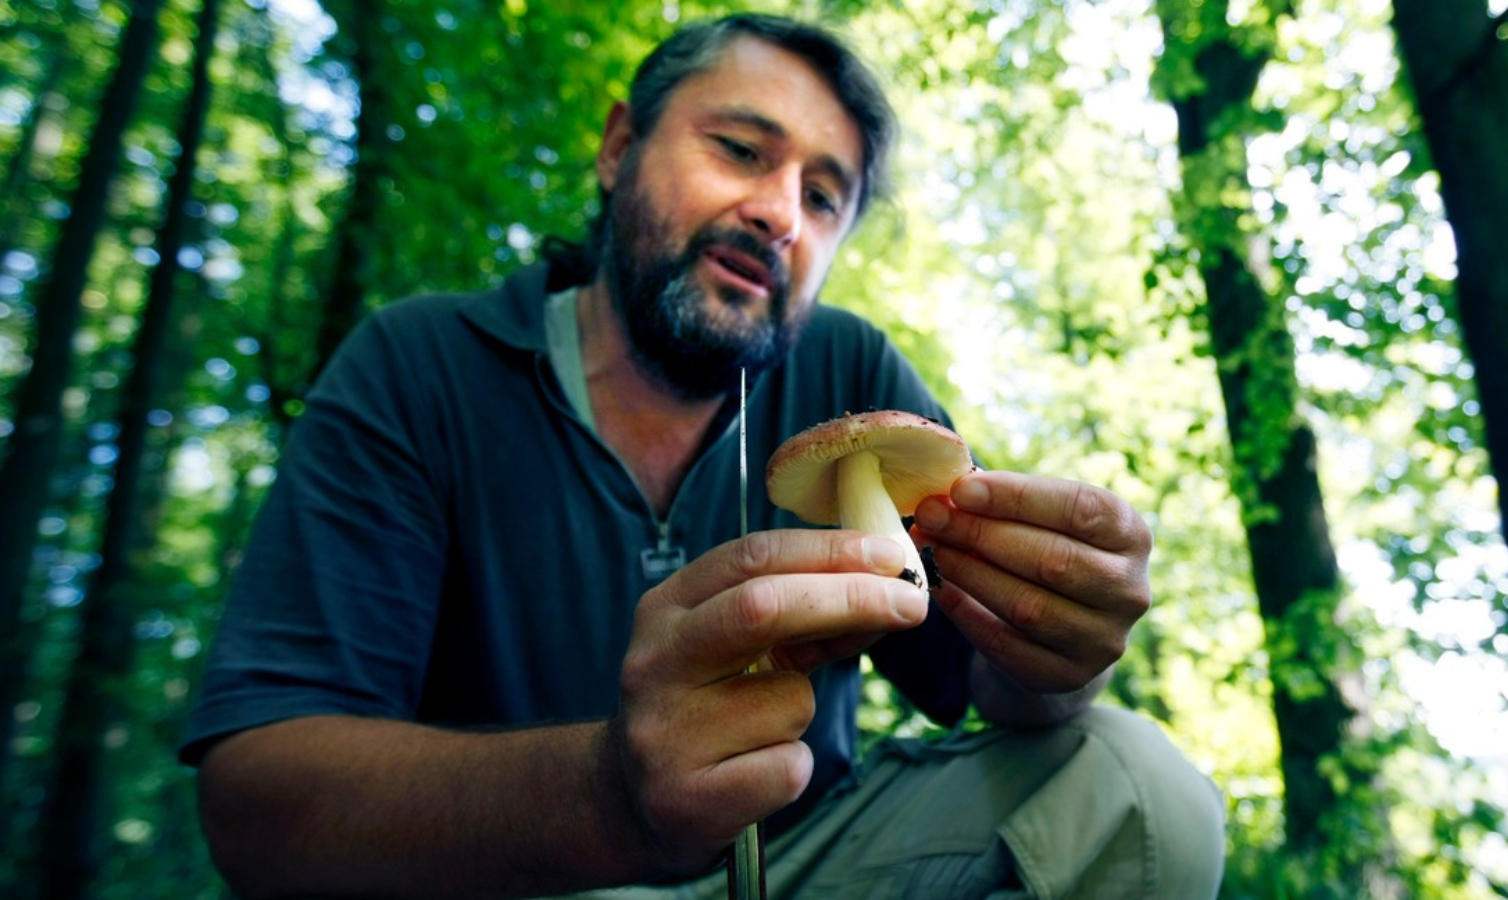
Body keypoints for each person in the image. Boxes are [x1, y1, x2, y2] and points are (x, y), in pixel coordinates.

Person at [181, 13, 1225, 900]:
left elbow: (986, 682)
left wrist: (1058, 651)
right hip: (511, 878)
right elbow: (257, 800)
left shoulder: (851, 372)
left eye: (823, 198)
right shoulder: (421, 366)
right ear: (617, 146)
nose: (778, 212)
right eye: (739, 149)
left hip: (813, 861)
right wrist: (606, 796)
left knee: (1138, 785)